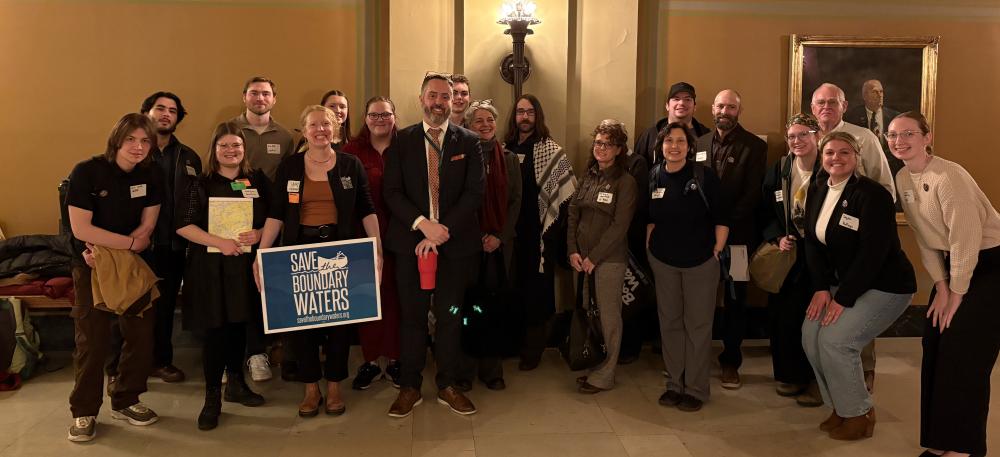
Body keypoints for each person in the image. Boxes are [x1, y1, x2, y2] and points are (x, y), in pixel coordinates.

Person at [255, 105, 381, 417]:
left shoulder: (350, 164)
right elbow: (277, 213)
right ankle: (311, 386)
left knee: (340, 322)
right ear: (304, 130)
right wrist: (262, 254)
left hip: (341, 250)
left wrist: (375, 251)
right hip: (298, 250)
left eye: (326, 124)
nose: (320, 130)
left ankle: (335, 384)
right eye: (313, 125)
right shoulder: (290, 167)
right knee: (302, 322)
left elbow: (367, 208)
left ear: (335, 128)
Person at [888, 111, 1000, 457]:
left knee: (965, 354)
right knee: (936, 343)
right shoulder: (904, 178)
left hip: (992, 265)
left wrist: (958, 293)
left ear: (927, 137)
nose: (899, 141)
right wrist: (940, 285)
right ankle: (941, 442)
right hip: (956, 268)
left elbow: (965, 242)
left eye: (908, 133)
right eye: (892, 135)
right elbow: (924, 238)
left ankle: (964, 449)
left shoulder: (949, 176)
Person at [801, 131, 916, 441]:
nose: (835, 158)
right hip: (842, 284)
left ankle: (859, 413)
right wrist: (822, 288)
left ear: (856, 158)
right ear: (821, 158)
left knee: (837, 341)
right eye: (829, 153)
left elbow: (872, 255)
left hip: (886, 285)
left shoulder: (873, 195)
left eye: (844, 153)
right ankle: (840, 406)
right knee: (811, 336)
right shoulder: (817, 189)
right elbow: (812, 242)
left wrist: (843, 299)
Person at [383, 73, 484, 418]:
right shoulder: (401, 141)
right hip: (410, 243)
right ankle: (410, 386)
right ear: (421, 98)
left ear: (454, 99)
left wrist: (442, 230)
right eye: (433, 95)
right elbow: (391, 192)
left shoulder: (469, 142)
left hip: (454, 245)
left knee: (450, 317)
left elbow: (475, 193)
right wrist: (423, 225)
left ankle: (447, 385)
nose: (439, 102)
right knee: (411, 318)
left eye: (446, 95)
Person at [65, 113, 164, 442]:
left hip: (132, 264)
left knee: (140, 335)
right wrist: (123, 247)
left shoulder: (151, 174)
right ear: (117, 140)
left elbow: (148, 225)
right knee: (92, 342)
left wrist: (130, 246)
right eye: (132, 139)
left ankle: (126, 398)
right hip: (91, 265)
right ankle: (84, 411)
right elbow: (81, 229)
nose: (138, 147)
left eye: (145, 141)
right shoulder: (87, 172)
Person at [175, 122, 269, 430]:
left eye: (237, 146)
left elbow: (273, 217)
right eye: (225, 146)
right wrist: (220, 242)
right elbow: (183, 226)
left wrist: (258, 233)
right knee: (216, 332)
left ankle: (237, 385)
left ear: (245, 150)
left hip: (243, 266)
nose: (231, 151)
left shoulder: (256, 180)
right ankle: (212, 395)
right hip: (210, 268)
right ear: (214, 150)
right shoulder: (200, 183)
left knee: (240, 326)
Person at [811, 82, 895, 389]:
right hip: (820, 243)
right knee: (825, 320)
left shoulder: (865, 138)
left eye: (833, 102)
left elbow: (885, 188)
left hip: (855, 245)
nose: (826, 107)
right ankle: (826, 379)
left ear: (845, 106)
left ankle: (863, 376)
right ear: (812, 108)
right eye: (820, 102)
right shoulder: (805, 138)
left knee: (855, 312)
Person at [648, 122, 729, 412]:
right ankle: (674, 384)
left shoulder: (704, 176)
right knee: (669, 324)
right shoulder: (654, 175)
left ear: (689, 146)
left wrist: (717, 251)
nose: (674, 146)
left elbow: (722, 217)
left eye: (680, 141)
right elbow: (651, 218)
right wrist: (650, 250)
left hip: (700, 263)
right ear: (661, 145)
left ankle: (695, 388)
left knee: (697, 326)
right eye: (669, 141)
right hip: (664, 262)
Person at [694, 89, 767, 389]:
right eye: (721, 105)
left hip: (738, 240)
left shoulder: (755, 146)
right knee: (702, 298)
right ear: (713, 108)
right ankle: (696, 357)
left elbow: (752, 195)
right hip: (702, 239)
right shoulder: (698, 142)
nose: (725, 111)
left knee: (736, 298)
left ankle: (731, 361)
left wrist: (723, 225)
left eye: (731, 107)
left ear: (740, 110)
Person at [505, 94, 577, 371]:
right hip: (510, 235)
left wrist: (550, 234)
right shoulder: (505, 148)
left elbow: (565, 195)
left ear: (538, 116)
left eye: (530, 112)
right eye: (520, 112)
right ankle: (511, 343)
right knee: (512, 288)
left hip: (539, 235)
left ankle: (532, 351)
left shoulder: (551, 150)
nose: (524, 117)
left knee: (536, 293)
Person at [230, 76, 295, 382]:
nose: (260, 98)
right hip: (232, 224)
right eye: (254, 93)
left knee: (264, 291)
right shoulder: (230, 130)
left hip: (272, 223)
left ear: (274, 98)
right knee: (237, 289)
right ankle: (234, 356)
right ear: (244, 97)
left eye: (266, 93)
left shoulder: (284, 136)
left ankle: (261, 353)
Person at [454, 99, 522, 392]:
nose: (485, 125)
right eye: (478, 121)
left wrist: (499, 236)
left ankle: (492, 370)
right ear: (468, 125)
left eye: (489, 120)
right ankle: (464, 370)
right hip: (467, 244)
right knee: (467, 308)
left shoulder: (508, 158)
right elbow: (455, 200)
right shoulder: (459, 155)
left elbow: (516, 201)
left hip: (499, 244)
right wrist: (474, 236)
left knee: (494, 308)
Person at [760, 113, 824, 407]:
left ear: (817, 136)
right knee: (784, 317)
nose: (797, 141)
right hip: (788, 256)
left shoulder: (829, 166)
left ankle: (815, 380)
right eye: (792, 136)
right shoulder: (781, 168)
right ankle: (788, 375)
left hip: (821, 256)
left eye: (803, 135)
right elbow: (764, 209)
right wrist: (777, 236)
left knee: (816, 319)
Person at [569, 120, 637, 394]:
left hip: (608, 261)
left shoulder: (626, 182)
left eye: (608, 144)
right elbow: (573, 214)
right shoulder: (589, 176)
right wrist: (572, 250)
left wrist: (594, 257)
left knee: (608, 316)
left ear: (619, 149)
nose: (601, 148)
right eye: (598, 143)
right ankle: (593, 364)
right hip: (581, 260)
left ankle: (606, 374)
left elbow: (620, 227)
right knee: (589, 313)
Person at [343, 96, 402, 390]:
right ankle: (369, 361)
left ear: (394, 116)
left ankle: (394, 359)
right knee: (367, 298)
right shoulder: (351, 151)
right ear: (365, 118)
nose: (380, 120)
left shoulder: (406, 147)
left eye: (385, 115)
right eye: (374, 115)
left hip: (401, 235)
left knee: (396, 297)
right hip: (361, 236)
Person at [634, 82, 712, 168]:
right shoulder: (650, 135)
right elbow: (638, 169)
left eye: (687, 99)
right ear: (667, 106)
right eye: (676, 99)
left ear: (694, 107)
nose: (681, 103)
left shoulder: (706, 136)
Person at [845, 79, 902, 177]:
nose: (880, 95)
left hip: (892, 171)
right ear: (865, 96)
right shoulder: (851, 117)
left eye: (881, 91)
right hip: (862, 172)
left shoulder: (896, 117)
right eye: (875, 92)